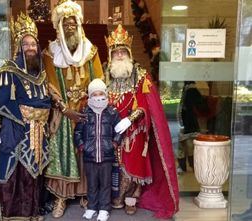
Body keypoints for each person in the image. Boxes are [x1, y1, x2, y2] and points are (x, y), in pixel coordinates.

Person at [104, 24, 179, 219]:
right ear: (111, 54)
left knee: (133, 162)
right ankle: (115, 195)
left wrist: (130, 120)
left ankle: (131, 197)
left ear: (129, 53)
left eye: (123, 52)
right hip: (110, 129)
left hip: (134, 129)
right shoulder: (104, 74)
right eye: (116, 52)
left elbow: (146, 105)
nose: (119, 56)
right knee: (113, 164)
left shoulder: (140, 75)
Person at [0, 13, 51, 221]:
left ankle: (31, 214)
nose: (30, 48)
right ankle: (12, 216)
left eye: (33, 44)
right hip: (16, 131)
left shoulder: (41, 74)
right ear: (18, 46)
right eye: (26, 44)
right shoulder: (8, 71)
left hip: (38, 132)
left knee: (33, 175)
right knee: (14, 175)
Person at [42, 0, 104, 218]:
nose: (70, 27)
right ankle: (61, 197)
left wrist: (90, 105)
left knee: (86, 152)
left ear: (79, 25)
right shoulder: (50, 54)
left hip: (87, 110)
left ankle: (85, 194)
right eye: (65, 24)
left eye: (73, 24)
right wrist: (64, 108)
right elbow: (49, 85)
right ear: (59, 27)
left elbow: (99, 81)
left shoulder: (91, 52)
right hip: (63, 113)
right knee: (63, 151)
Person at [74, 79, 122, 221]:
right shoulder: (85, 112)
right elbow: (77, 132)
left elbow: (119, 130)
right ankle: (92, 207)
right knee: (92, 183)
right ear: (90, 95)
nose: (98, 96)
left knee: (105, 184)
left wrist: (114, 143)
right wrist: (82, 145)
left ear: (105, 94)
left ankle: (104, 209)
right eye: (94, 94)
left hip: (106, 155)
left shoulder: (112, 112)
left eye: (101, 93)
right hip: (90, 155)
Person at [176, 81, 208, 173]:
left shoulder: (187, 89)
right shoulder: (192, 89)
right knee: (189, 145)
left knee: (182, 145)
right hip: (188, 120)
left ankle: (183, 166)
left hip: (183, 119)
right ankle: (192, 165)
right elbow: (200, 103)